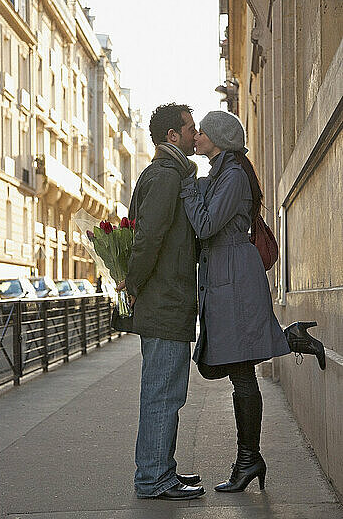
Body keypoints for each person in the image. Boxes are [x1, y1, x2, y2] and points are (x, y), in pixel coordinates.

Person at [180, 110, 292, 493]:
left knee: (242, 370)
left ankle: (249, 459)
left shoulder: (231, 175)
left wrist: (188, 190)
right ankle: (249, 458)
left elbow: (207, 224)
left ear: (220, 138)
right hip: (226, 276)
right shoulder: (223, 171)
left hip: (235, 278)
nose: (197, 137)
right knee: (237, 368)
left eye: (203, 132)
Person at [118, 103, 205, 500]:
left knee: (165, 392)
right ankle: (153, 479)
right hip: (164, 301)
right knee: (163, 394)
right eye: (189, 128)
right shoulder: (167, 176)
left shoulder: (162, 174)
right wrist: (131, 283)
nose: (194, 134)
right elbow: (148, 237)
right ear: (172, 136)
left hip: (164, 300)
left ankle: (160, 469)